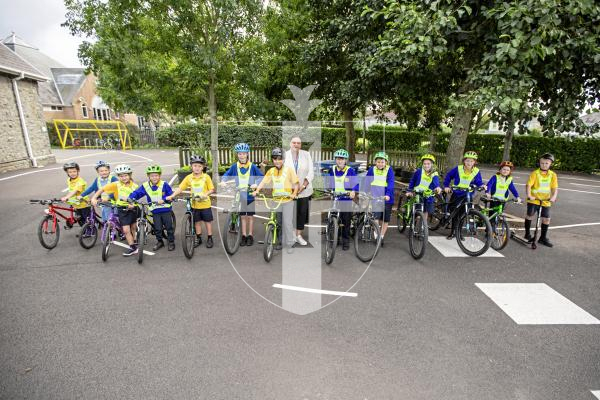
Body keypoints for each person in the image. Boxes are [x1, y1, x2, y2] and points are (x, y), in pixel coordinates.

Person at [252, 148, 299, 252]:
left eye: (279, 159)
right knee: (278, 223)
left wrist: (294, 194)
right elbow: (263, 182)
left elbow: (296, 184)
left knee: (287, 223)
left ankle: (290, 244)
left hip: (287, 201)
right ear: (272, 160)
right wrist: (257, 191)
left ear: (283, 159)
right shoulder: (271, 171)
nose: (277, 161)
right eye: (275, 159)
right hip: (276, 201)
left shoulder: (289, 170)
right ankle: (280, 241)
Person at [219, 143, 263, 246]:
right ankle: (243, 235)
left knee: (250, 217)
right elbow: (227, 174)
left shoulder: (252, 167)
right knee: (243, 216)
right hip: (239, 194)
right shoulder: (235, 166)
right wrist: (224, 180)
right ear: (237, 155)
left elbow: (261, 177)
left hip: (249, 195)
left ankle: (250, 235)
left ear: (247, 154)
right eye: (239, 154)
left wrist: (255, 184)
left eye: (244, 154)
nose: (242, 156)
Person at [167, 156, 215, 248]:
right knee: (196, 222)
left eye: (199, 166)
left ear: (203, 167)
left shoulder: (206, 177)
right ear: (191, 167)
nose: (197, 168)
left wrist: (205, 194)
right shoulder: (189, 178)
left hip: (205, 204)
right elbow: (180, 188)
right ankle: (199, 238)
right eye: (195, 166)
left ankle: (210, 238)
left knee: (207, 222)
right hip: (194, 205)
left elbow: (212, 189)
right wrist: (172, 195)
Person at [91, 164, 140, 256]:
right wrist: (94, 198)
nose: (124, 177)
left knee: (133, 227)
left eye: (125, 175)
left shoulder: (135, 186)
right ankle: (133, 247)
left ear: (130, 175)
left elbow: (137, 198)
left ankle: (135, 240)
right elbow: (102, 189)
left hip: (133, 208)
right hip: (122, 209)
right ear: (118, 177)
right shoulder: (115, 184)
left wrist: (132, 205)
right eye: (121, 176)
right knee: (126, 230)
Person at [129, 165, 175, 251]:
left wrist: (165, 199)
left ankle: (171, 241)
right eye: (152, 176)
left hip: (165, 209)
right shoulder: (145, 185)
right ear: (148, 176)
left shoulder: (164, 184)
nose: (154, 177)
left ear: (160, 176)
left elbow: (171, 195)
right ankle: (160, 241)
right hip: (155, 210)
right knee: (157, 228)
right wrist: (131, 198)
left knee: (169, 226)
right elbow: (137, 193)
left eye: (156, 175)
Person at [443, 151, 484, 239]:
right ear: (464, 161)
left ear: (475, 162)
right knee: (455, 213)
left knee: (463, 214)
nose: (469, 163)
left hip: (467, 195)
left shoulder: (476, 171)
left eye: (472, 161)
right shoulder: (458, 168)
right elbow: (449, 176)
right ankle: (453, 232)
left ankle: (459, 233)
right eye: (467, 161)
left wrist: (482, 186)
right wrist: (446, 186)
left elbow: (479, 181)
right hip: (457, 194)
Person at [285, 136, 314, 246]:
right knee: (290, 214)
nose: (296, 145)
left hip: (304, 190)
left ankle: (298, 235)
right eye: (294, 142)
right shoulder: (285, 155)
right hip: (289, 190)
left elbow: (311, 171)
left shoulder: (306, 155)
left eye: (298, 143)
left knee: (301, 213)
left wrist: (304, 185)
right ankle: (292, 235)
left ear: (300, 145)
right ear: (290, 144)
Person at [525, 153, 558, 247]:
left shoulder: (553, 175)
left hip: (546, 200)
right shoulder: (535, 173)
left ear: (550, 164)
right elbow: (529, 185)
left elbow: (555, 188)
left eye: (546, 163)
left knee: (546, 219)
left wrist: (554, 197)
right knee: (529, 215)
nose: (544, 165)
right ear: (539, 163)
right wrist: (529, 195)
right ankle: (527, 234)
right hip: (534, 200)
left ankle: (542, 238)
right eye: (542, 163)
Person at [328, 149, 358, 250]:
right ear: (335, 160)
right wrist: (329, 189)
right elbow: (330, 182)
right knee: (335, 218)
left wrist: (353, 191)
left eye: (342, 159)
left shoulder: (350, 170)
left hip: (346, 199)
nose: (340, 161)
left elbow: (355, 183)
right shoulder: (332, 169)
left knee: (346, 221)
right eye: (338, 159)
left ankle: (346, 241)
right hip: (336, 198)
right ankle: (336, 238)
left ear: (345, 160)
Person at [364, 151, 395, 246]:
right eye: (378, 162)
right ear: (375, 162)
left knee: (385, 219)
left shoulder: (389, 170)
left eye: (382, 162)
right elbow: (367, 182)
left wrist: (388, 194)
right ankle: (377, 235)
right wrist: (365, 193)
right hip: (375, 197)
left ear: (386, 162)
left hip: (387, 198)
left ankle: (381, 236)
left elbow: (390, 183)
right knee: (376, 217)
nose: (380, 164)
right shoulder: (371, 170)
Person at [406, 154, 442, 219]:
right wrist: (409, 190)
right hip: (418, 194)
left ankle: (423, 225)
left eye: (428, 164)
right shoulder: (419, 171)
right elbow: (412, 181)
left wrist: (437, 187)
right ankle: (413, 223)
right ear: (422, 164)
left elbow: (436, 182)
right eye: (424, 164)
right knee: (417, 210)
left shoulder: (434, 173)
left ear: (432, 164)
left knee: (427, 211)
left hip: (428, 194)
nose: (426, 165)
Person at [60, 162, 91, 227]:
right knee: (79, 218)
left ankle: (91, 231)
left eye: (74, 171)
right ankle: (84, 231)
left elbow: (75, 190)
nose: (72, 173)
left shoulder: (80, 181)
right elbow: (71, 190)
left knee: (87, 219)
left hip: (84, 203)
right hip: (75, 203)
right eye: (70, 172)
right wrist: (69, 198)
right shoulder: (69, 180)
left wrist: (66, 197)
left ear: (78, 171)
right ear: (67, 173)